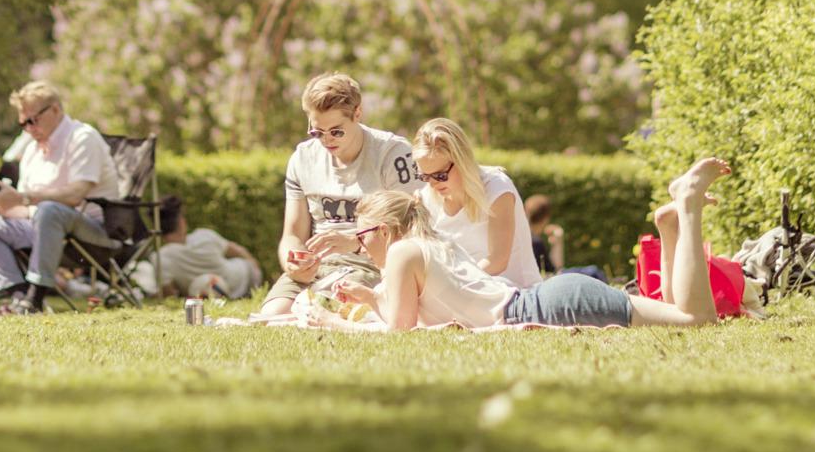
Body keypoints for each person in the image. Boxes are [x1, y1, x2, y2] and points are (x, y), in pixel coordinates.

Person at [340, 159, 730, 330]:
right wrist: (370, 299)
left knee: (696, 320)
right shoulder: (429, 244)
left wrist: (347, 314)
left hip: (555, 307)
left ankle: (688, 203)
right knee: (676, 312)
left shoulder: (402, 252)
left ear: (387, 230)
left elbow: (400, 329)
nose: (361, 247)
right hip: (554, 299)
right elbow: (419, 317)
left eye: (362, 236)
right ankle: (670, 226)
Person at [255, 73, 419, 322]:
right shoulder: (302, 158)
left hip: (372, 264)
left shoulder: (393, 154)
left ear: (357, 114)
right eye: (316, 132)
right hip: (318, 268)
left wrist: (354, 242)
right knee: (272, 316)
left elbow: (412, 229)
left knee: (325, 312)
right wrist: (293, 264)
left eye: (336, 132)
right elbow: (292, 234)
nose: (326, 140)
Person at [0, 80, 118, 315]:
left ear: (55, 110)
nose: (28, 128)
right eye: (22, 123)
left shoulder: (83, 138)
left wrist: (23, 198)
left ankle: (35, 297)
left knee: (49, 209)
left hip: (93, 235)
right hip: (44, 230)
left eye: (32, 120)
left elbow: (75, 195)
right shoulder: (32, 150)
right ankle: (17, 298)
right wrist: (1, 206)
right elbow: (27, 209)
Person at [411, 118, 541, 288]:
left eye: (440, 175)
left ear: (462, 161)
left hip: (513, 296)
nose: (433, 184)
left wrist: (452, 285)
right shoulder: (427, 198)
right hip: (464, 297)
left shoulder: (496, 188)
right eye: (424, 176)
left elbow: (498, 260)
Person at [153, 197, 261, 300]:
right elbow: (236, 250)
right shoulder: (203, 236)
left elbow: (169, 294)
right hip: (246, 275)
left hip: (237, 281)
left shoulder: (160, 258)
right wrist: (253, 261)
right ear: (182, 222)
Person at [525, 194, 566, 276]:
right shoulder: (536, 243)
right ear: (546, 218)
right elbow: (556, 272)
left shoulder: (519, 237)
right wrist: (558, 243)